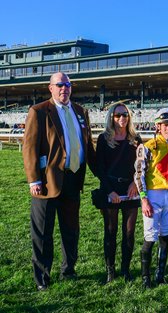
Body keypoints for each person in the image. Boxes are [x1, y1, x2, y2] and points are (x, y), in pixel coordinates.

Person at [22, 72, 96, 291]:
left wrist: (105, 173)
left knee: (71, 230)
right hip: (47, 181)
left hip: (73, 178)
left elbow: (87, 146)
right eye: (60, 85)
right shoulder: (39, 111)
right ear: (51, 88)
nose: (64, 88)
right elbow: (30, 148)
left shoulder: (81, 112)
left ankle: (68, 270)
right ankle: (42, 278)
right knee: (43, 232)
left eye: (68, 85)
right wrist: (33, 179)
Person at [134, 108, 168, 288]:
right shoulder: (147, 147)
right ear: (158, 126)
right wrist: (144, 199)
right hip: (153, 196)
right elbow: (139, 174)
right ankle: (145, 278)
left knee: (165, 236)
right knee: (150, 237)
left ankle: (160, 275)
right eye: (165, 125)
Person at [96, 103, 141, 283]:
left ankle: (126, 269)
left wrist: (135, 183)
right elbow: (100, 168)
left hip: (130, 190)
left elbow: (141, 165)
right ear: (111, 117)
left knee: (129, 232)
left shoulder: (135, 138)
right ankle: (110, 270)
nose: (122, 118)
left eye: (125, 114)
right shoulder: (103, 139)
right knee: (110, 230)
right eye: (118, 115)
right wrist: (110, 191)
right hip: (111, 189)